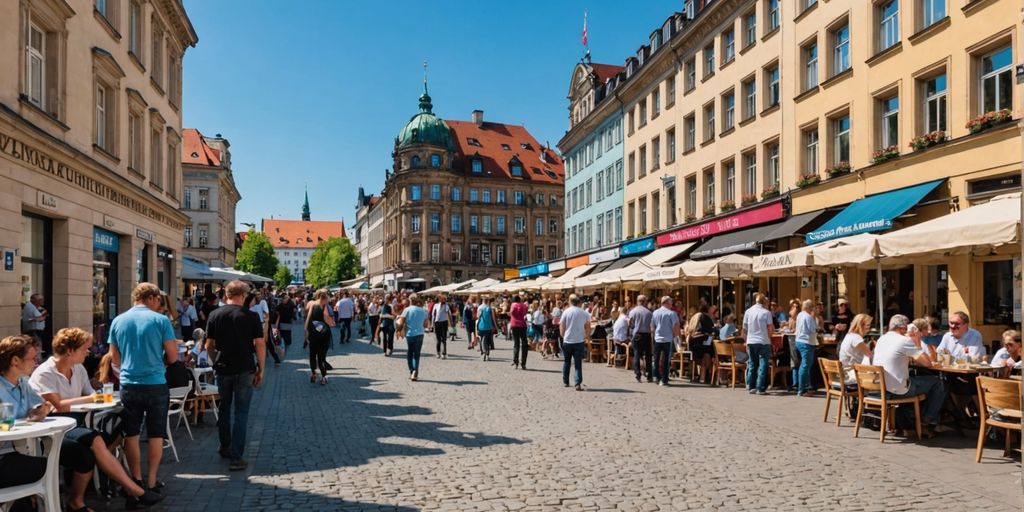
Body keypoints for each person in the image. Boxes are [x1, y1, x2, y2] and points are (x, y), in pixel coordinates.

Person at [27, 328, 162, 509]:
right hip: (54, 426)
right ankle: (135, 490)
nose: (87, 352)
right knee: (95, 440)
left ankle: (89, 495)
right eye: (84, 349)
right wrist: (89, 399)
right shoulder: (45, 373)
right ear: (70, 351)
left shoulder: (79, 369)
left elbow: (92, 395)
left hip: (78, 423)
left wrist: (95, 398)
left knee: (124, 423)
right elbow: (58, 405)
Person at [107, 282, 178, 493]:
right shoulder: (161, 320)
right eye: (158, 302)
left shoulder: (118, 321)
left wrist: (131, 364)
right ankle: (152, 481)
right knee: (156, 433)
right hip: (155, 383)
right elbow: (173, 357)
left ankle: (136, 478)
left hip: (129, 384)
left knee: (132, 433)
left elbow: (114, 358)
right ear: (152, 298)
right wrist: (158, 362)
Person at [205, 280, 266, 471]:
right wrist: (261, 368)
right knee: (241, 412)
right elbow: (260, 344)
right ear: (244, 295)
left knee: (224, 409)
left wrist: (215, 359)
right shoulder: (251, 316)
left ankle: (225, 446)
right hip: (244, 368)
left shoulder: (215, 314)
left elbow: (208, 345)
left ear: (227, 295)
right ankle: (236, 457)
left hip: (223, 369)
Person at [872, 315, 945, 433]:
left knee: (919, 378)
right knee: (939, 383)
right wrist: (916, 342)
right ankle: (926, 420)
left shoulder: (882, 339)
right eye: (906, 329)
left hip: (880, 386)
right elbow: (927, 363)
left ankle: (918, 418)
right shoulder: (904, 341)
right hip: (897, 389)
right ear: (902, 328)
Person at [741, 293, 776, 395]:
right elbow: (770, 328)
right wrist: (770, 337)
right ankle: (760, 388)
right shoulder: (766, 313)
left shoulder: (748, 312)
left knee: (752, 363)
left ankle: (751, 386)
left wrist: (746, 340)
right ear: (764, 301)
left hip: (751, 341)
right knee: (763, 364)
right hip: (764, 341)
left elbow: (744, 329)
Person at [559, 294, 591, 391]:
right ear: (579, 303)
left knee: (567, 362)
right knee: (578, 363)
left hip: (567, 340)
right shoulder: (584, 313)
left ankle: (565, 381)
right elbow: (588, 326)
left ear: (571, 302)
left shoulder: (566, 312)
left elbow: (562, 324)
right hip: (579, 341)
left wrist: (562, 335)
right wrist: (586, 335)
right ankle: (577, 383)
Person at [305, 289, 335, 379]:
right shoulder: (324, 306)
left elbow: (307, 318)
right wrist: (332, 323)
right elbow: (329, 322)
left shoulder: (311, 304)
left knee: (312, 354)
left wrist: (306, 331)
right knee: (321, 356)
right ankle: (323, 377)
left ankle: (313, 373)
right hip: (323, 333)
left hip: (312, 332)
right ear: (324, 298)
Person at [651, 296, 681, 386]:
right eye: (671, 302)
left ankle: (656, 376)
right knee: (666, 360)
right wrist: (677, 336)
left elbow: (652, 327)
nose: (672, 304)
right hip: (668, 339)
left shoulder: (655, 312)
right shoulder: (672, 313)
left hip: (657, 339)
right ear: (666, 303)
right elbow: (676, 326)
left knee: (656, 358)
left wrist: (653, 336)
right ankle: (664, 379)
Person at [399, 293, 429, 381]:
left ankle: (412, 371)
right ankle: (415, 371)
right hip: (420, 334)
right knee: (417, 354)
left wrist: (399, 331)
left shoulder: (407, 310)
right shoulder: (423, 311)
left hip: (410, 334)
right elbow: (425, 324)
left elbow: (401, 322)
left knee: (409, 353)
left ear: (410, 300)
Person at [838, 313, 874, 383]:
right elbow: (870, 355)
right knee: (880, 376)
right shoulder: (856, 338)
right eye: (868, 326)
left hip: (845, 372)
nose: (868, 329)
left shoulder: (849, 335)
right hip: (851, 374)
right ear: (861, 326)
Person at [794, 299, 819, 397]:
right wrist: (815, 319)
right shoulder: (809, 317)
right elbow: (812, 329)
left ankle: (806, 387)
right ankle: (802, 390)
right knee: (805, 366)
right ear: (810, 308)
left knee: (804, 365)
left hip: (799, 341)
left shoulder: (800, 315)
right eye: (813, 307)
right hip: (807, 343)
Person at [687, 304, 716, 385]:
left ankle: (700, 375)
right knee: (709, 351)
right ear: (707, 311)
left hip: (692, 343)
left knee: (707, 351)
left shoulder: (694, 317)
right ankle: (706, 375)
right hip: (701, 343)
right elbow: (710, 331)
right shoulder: (705, 317)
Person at [628, 295, 654, 383]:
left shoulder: (633, 311)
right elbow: (652, 326)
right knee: (648, 355)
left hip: (637, 335)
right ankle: (649, 375)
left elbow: (630, 324)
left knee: (637, 354)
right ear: (645, 302)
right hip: (646, 335)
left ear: (637, 301)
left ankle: (638, 374)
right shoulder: (649, 313)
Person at [508, 295, 529, 370]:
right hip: (522, 326)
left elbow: (511, 313)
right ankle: (523, 363)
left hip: (514, 325)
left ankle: (515, 362)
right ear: (519, 300)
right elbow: (525, 312)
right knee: (524, 345)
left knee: (516, 344)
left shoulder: (513, 305)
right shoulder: (524, 305)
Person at [432, 295, 451, 359]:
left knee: (444, 339)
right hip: (437, 323)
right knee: (438, 339)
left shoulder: (446, 306)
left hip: (444, 322)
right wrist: (433, 324)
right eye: (443, 299)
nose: (444, 300)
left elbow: (448, 313)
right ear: (440, 299)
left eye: (445, 299)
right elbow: (433, 315)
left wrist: (450, 323)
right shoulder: (436, 305)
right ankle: (438, 352)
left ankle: (444, 353)